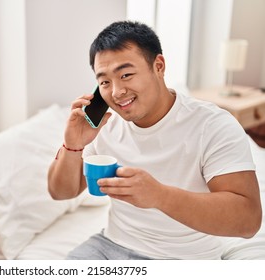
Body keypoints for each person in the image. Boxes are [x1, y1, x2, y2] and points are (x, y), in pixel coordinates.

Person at [47, 20, 262, 259]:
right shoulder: (104, 124)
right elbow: (61, 192)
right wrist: (73, 145)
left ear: (158, 66)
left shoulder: (212, 125)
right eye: (105, 82)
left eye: (126, 74)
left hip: (183, 258)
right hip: (110, 245)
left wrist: (159, 196)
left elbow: (248, 221)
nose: (117, 92)